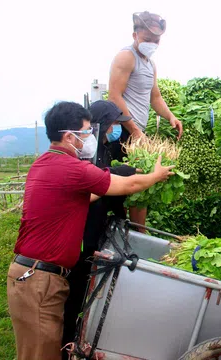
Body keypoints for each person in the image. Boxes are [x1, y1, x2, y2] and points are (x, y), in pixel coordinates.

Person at [7, 101, 174, 360]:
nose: (90, 137)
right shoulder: (71, 168)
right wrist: (155, 175)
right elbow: (125, 186)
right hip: (39, 281)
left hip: (33, 276)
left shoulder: (44, 164)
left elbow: (83, 198)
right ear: (69, 136)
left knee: (39, 350)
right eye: (86, 132)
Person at [62, 100, 137, 357]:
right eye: (114, 123)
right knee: (72, 297)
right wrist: (119, 175)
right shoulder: (86, 155)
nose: (116, 128)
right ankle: (65, 346)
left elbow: (109, 191)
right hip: (81, 238)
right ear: (101, 123)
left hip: (94, 234)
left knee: (84, 291)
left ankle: (77, 340)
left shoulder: (106, 149)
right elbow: (97, 186)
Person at [108, 11, 183, 229]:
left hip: (135, 133)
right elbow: (114, 96)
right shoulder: (126, 57)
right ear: (135, 35)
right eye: (147, 39)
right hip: (122, 131)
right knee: (124, 180)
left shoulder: (150, 64)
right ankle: (120, 229)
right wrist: (133, 130)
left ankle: (138, 232)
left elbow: (155, 97)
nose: (152, 44)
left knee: (140, 180)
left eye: (156, 40)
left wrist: (170, 116)